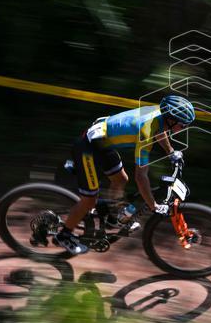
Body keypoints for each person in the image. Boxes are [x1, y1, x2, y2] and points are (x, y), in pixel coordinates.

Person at [53, 94, 196, 255]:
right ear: (171, 119)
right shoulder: (146, 132)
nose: (183, 129)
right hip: (88, 147)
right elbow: (141, 177)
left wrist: (171, 152)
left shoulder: (159, 115)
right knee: (89, 200)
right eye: (182, 125)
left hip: (102, 142)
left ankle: (111, 217)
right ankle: (64, 235)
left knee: (121, 179)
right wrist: (153, 206)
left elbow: (160, 131)